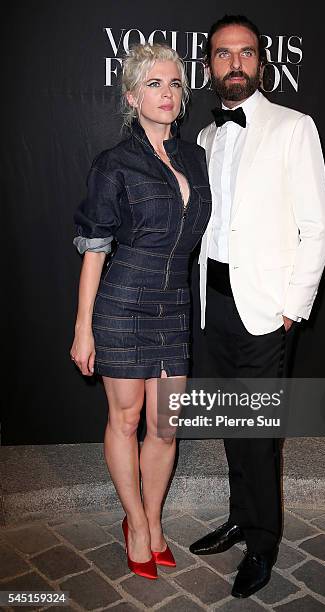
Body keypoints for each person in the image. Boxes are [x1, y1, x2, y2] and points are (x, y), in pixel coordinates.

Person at [189, 15, 325, 598]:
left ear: (261, 62)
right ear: (210, 67)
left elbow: (318, 228)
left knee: (258, 433)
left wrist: (292, 307)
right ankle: (238, 515)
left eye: (245, 53)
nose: (235, 64)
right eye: (224, 55)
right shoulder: (206, 136)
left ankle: (263, 542)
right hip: (215, 304)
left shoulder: (295, 127)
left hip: (265, 310)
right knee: (232, 424)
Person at [70, 43, 211, 580]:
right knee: (125, 420)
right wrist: (84, 327)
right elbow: (95, 246)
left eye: (174, 83)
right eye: (154, 84)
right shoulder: (114, 163)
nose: (167, 93)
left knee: (166, 426)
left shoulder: (196, 156)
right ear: (132, 96)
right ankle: (135, 523)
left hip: (174, 304)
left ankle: (153, 518)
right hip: (123, 304)